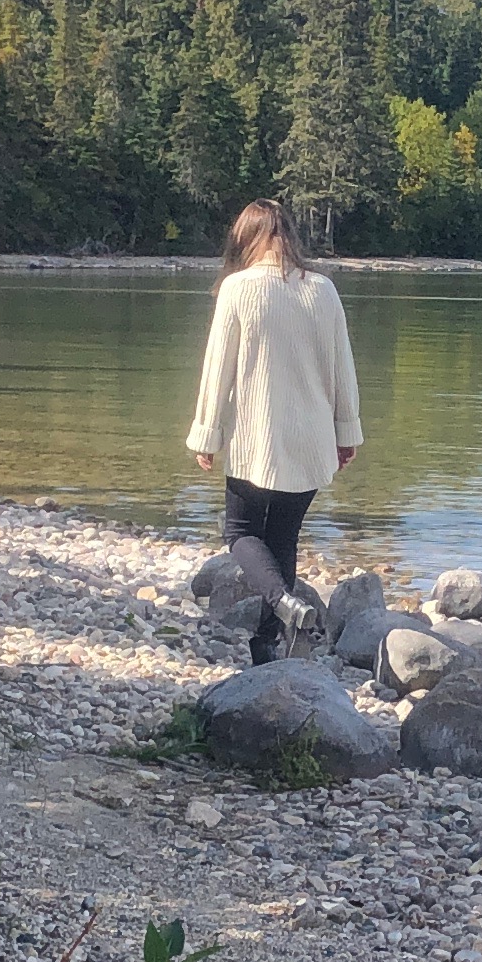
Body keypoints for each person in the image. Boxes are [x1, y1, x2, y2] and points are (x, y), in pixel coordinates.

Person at [185, 200, 362, 664]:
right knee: (283, 539)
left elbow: (216, 368)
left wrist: (207, 432)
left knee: (241, 532)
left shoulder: (238, 289)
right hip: (312, 438)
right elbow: (343, 367)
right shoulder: (323, 289)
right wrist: (348, 433)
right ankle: (268, 644)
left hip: (256, 439)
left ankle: (284, 606)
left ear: (246, 239)